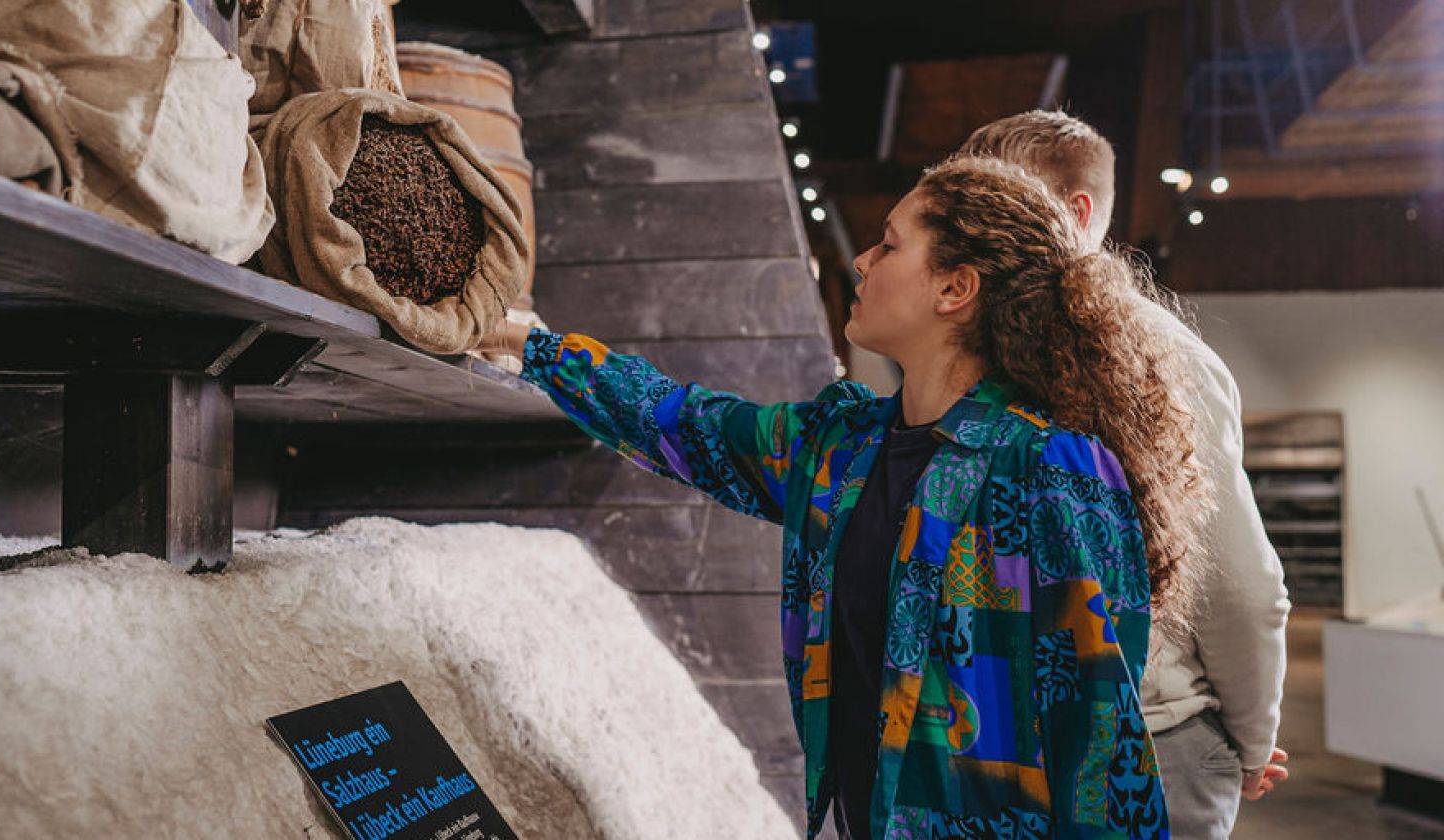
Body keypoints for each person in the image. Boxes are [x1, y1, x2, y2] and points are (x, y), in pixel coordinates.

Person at [479, 155, 1205, 838]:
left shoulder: (1052, 470)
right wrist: (536, 349)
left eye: (889, 246)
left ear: (955, 288)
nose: (862, 261)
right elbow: (692, 426)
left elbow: (1102, 741)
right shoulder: (843, 446)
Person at [959, 110, 1293, 837]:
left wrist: (1248, 740)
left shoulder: (1157, 358)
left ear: (1078, 213)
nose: (980, 229)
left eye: (1007, 203)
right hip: (1006, 743)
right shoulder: (976, 356)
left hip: (1150, 737)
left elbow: (1239, 586)